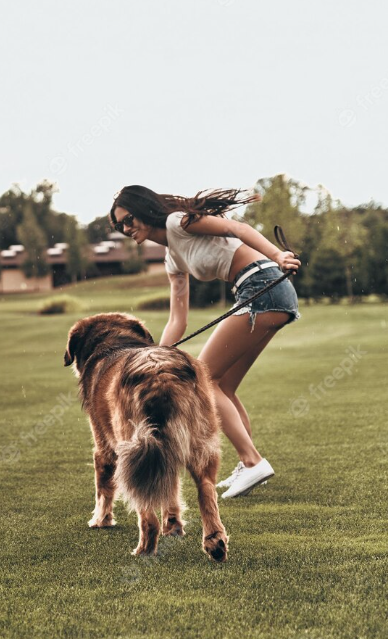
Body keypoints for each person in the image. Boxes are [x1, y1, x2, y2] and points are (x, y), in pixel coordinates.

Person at [109, 185, 300, 498]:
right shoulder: (172, 258)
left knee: (204, 380)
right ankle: (247, 464)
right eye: (120, 226)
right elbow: (177, 320)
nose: (126, 228)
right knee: (222, 385)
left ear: (144, 210)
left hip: (263, 286)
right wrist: (156, 355)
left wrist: (278, 255)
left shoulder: (177, 223)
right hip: (258, 292)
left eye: (129, 219)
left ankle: (253, 462)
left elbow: (237, 228)